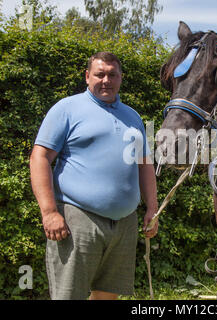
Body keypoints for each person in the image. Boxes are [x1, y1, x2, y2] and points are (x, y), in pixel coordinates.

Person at [29, 52, 158, 300]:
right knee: (69, 295)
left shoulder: (132, 116)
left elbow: (144, 165)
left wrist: (152, 208)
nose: (106, 80)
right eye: (99, 74)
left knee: (108, 296)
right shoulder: (67, 108)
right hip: (78, 218)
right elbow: (39, 158)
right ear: (88, 76)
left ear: (121, 78)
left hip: (124, 224)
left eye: (112, 74)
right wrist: (48, 212)